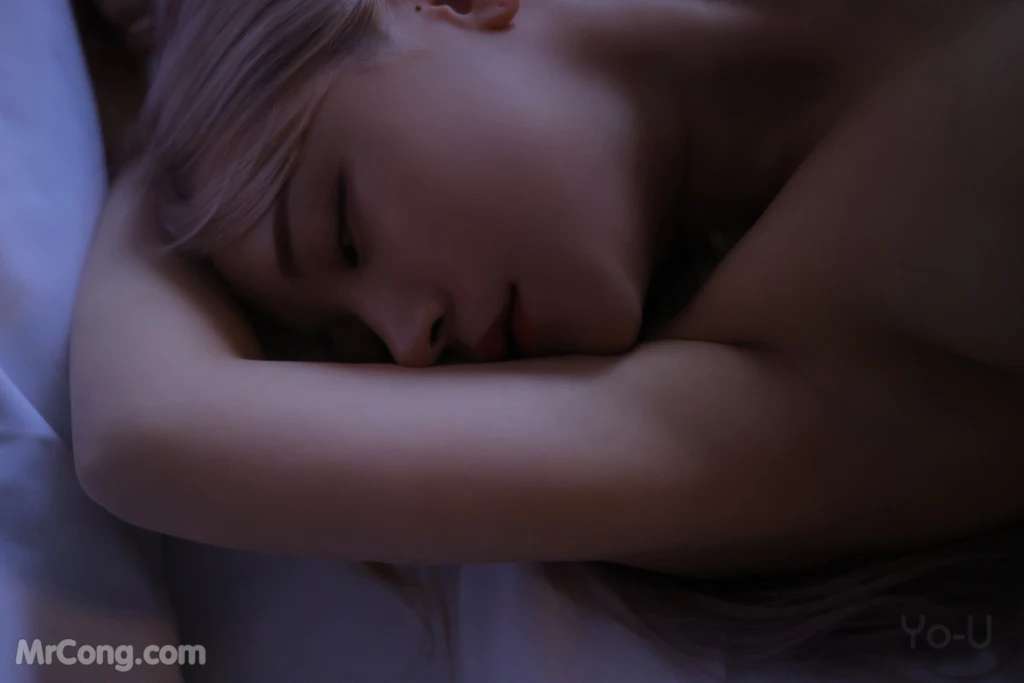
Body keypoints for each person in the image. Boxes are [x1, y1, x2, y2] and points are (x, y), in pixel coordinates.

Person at [71, 0, 1024, 668]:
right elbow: (148, 433)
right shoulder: (771, 384)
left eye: (346, 232)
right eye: (349, 338)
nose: (408, 347)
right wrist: (151, 113)